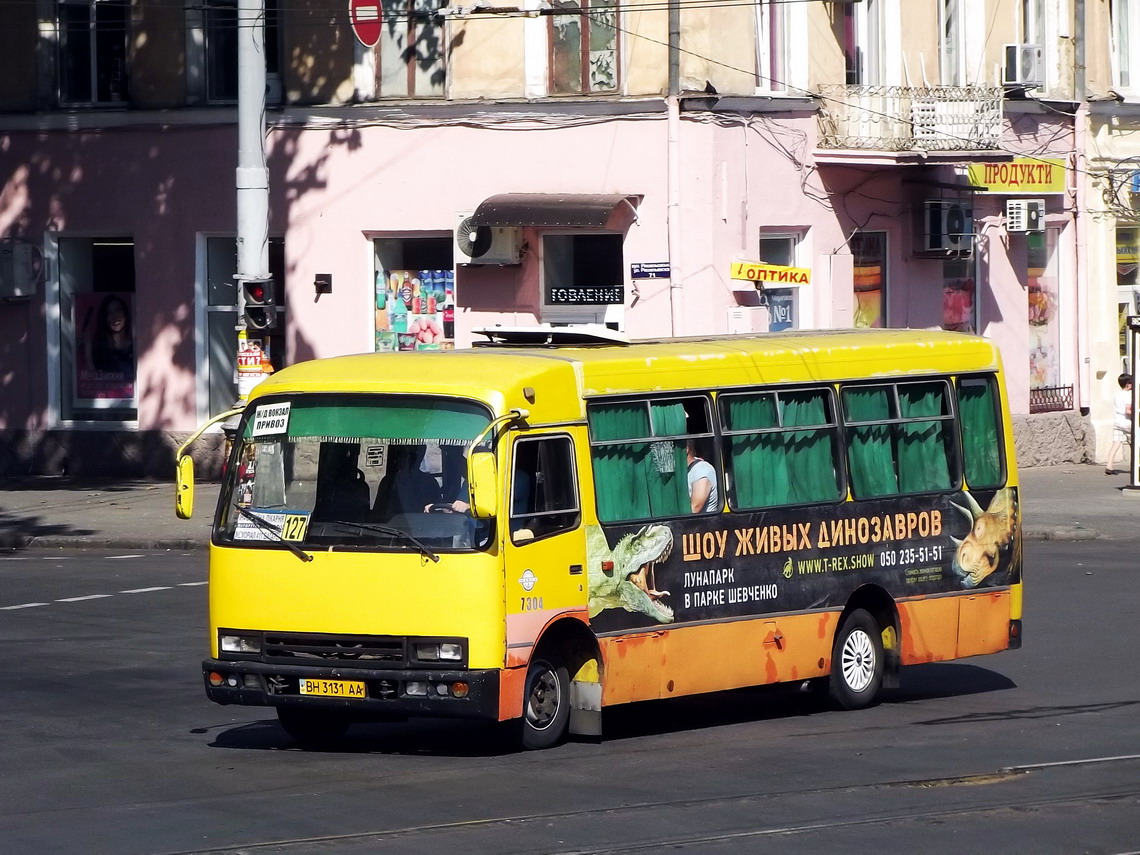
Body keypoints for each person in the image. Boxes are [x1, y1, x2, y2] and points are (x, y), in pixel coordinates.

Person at [86, 294, 135, 375]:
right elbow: (92, 377)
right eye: (109, 313)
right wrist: (87, 349)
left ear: (125, 314)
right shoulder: (100, 349)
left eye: (118, 310)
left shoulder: (135, 345)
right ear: (105, 319)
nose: (114, 316)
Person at [1106, 373, 1133, 475]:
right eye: (1131, 383)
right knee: (1135, 445)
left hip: (1117, 421)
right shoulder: (1128, 395)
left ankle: (1109, 466)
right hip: (1127, 422)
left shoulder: (1117, 394)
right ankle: (1135, 466)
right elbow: (1128, 411)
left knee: (1116, 444)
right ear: (1127, 384)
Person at [686, 441, 719, 513]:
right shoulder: (681, 472)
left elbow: (695, 508)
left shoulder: (702, 469)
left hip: (704, 522)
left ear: (686, 449)